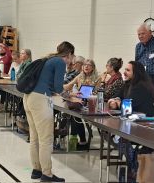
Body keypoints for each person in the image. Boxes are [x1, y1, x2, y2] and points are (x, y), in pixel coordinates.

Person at [23, 41, 75, 182]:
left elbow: (50, 85)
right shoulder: (60, 62)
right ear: (69, 54)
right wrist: (71, 97)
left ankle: (37, 170)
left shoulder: (48, 59)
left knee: (34, 137)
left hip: (28, 98)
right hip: (40, 100)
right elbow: (58, 87)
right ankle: (47, 174)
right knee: (46, 139)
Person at [63, 59, 100, 150]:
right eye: (85, 65)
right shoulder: (80, 76)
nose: (86, 66)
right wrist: (61, 87)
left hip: (92, 103)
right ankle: (80, 140)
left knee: (74, 114)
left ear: (93, 68)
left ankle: (76, 137)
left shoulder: (97, 78)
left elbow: (97, 93)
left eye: (89, 65)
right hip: (80, 102)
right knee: (74, 114)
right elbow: (68, 86)